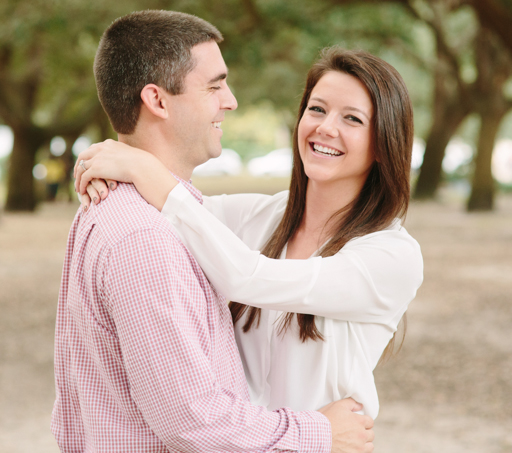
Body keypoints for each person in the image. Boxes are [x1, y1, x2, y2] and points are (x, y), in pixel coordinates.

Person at [53, 10, 374, 453]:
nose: (231, 100)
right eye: (214, 85)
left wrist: (129, 160)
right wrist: (318, 432)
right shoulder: (144, 238)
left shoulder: (146, 212)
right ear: (158, 101)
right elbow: (192, 421)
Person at [75, 47, 424, 420]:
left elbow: (247, 277)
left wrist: (145, 170)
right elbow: (174, 213)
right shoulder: (260, 216)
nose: (325, 127)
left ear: (383, 145)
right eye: (317, 109)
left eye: (352, 119)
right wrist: (105, 163)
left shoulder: (391, 256)